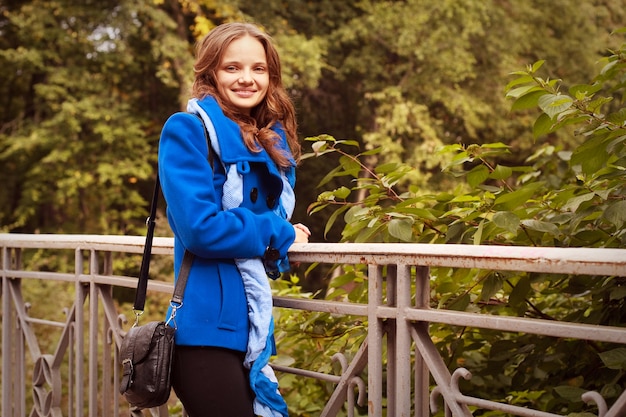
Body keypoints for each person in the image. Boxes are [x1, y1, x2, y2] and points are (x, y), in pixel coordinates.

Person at [157, 22, 310, 417]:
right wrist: (280, 231)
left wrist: (286, 233)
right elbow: (200, 230)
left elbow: (255, 226)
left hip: (251, 333)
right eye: (232, 68)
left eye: (258, 69)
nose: (247, 78)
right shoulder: (187, 131)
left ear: (271, 77)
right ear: (210, 73)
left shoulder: (267, 141)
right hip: (204, 337)